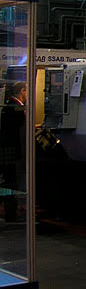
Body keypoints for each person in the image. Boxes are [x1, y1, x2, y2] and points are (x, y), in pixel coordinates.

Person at [1, 82, 26, 222]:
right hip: (13, 150)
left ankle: (11, 212)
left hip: (7, 149)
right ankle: (11, 213)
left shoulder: (8, 106)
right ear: (23, 91)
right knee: (11, 181)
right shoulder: (17, 108)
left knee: (8, 180)